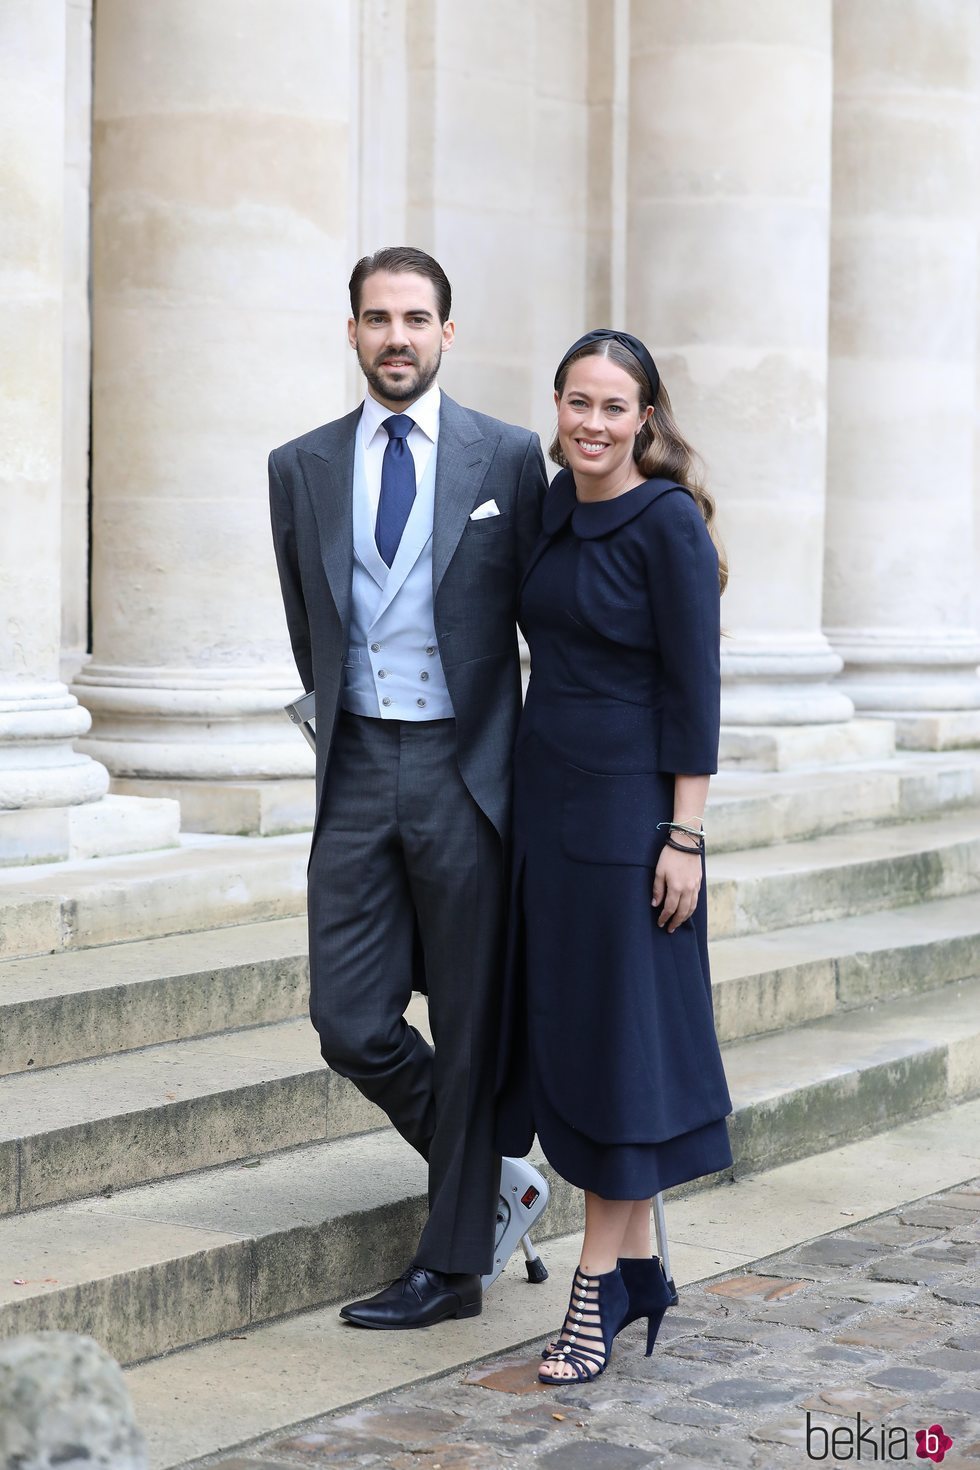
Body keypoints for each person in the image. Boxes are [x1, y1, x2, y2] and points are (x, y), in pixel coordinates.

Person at [269, 246, 549, 1329]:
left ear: (446, 332)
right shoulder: (299, 465)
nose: (396, 336)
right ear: (351, 332)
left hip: (465, 769)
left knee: (471, 1023)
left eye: (416, 318)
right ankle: (487, 1178)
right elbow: (312, 627)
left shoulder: (508, 459)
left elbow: (547, 623)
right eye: (377, 318)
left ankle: (450, 1271)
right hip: (354, 765)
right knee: (348, 1019)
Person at [494, 329, 734, 1382]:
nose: (590, 425)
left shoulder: (666, 525)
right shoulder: (549, 507)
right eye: (575, 403)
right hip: (544, 813)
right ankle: (639, 1271)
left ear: (645, 417)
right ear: (555, 406)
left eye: (612, 407)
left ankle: (593, 1292)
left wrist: (683, 835)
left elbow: (694, 691)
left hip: (632, 827)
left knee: (621, 1053)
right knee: (579, 1042)